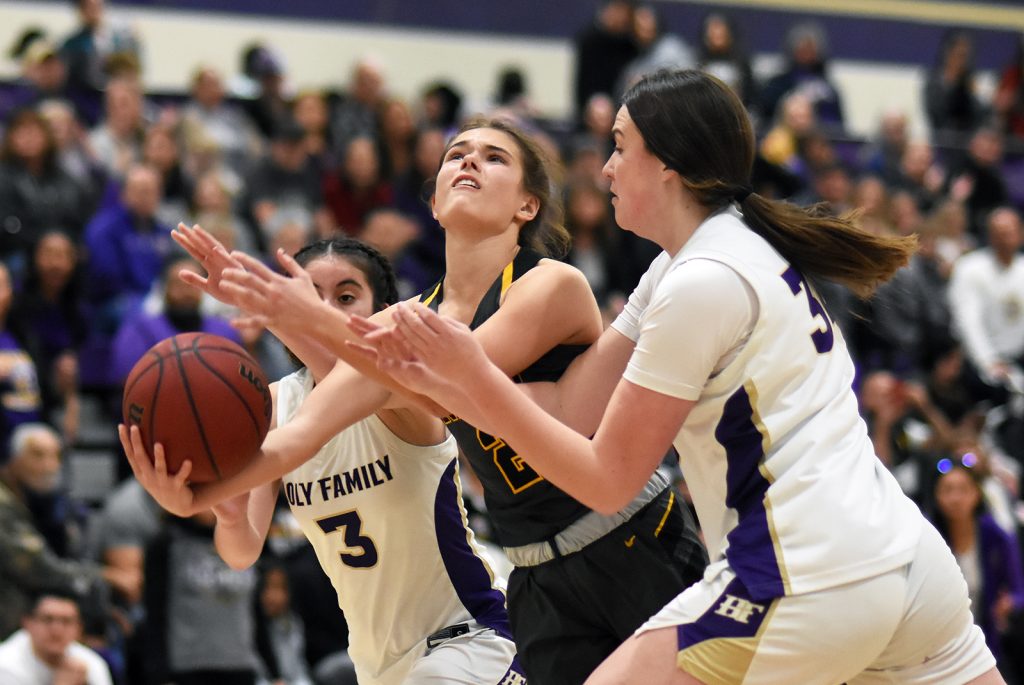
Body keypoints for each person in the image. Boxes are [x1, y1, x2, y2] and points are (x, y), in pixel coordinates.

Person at [353, 70, 1004, 684]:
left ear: (666, 164)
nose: (605, 168)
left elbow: (607, 479)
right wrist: (464, 382)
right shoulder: (710, 252)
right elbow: (573, 406)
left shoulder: (700, 283)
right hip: (907, 559)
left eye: (619, 147)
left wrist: (471, 377)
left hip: (801, 569)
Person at [126, 116, 706, 685]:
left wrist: (305, 318)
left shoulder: (550, 284)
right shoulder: (407, 325)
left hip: (627, 541)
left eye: (494, 156)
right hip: (535, 574)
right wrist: (191, 496)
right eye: (456, 154)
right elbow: (291, 441)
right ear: (433, 205)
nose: (469, 160)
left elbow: (449, 383)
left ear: (527, 206)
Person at [122, 236, 524, 685]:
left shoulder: (400, 385)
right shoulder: (271, 406)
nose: (326, 309)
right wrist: (229, 512)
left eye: (346, 297)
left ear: (382, 312)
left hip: (469, 639)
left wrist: (274, 310)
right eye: (311, 295)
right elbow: (241, 554)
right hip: (378, 665)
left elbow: (348, 373)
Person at [931, 458, 1024, 678]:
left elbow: (1019, 590)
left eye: (963, 490)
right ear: (936, 496)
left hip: (988, 639)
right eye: (947, 490)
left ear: (976, 494)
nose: (955, 498)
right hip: (940, 644)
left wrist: (1008, 603)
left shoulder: (995, 535)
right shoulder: (929, 536)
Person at [0, 591, 112, 685]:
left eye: (66, 621)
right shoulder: (5, 665)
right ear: (28, 624)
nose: (57, 631)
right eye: (48, 619)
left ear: (79, 628)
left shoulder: (91, 664)